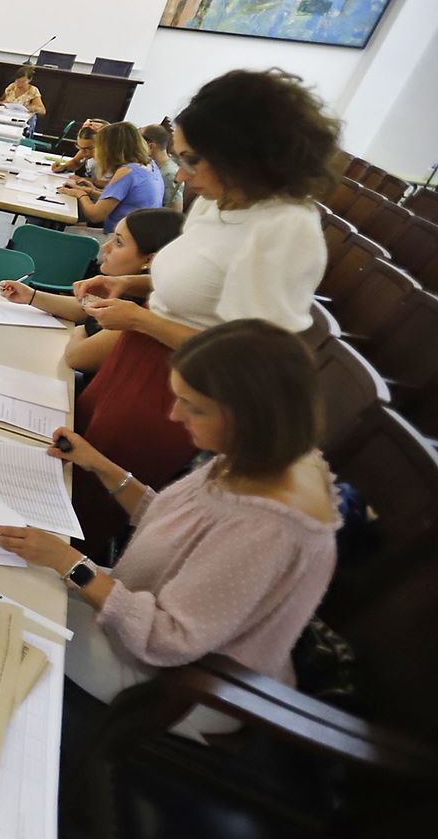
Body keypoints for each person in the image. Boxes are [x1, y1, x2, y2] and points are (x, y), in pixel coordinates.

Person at [0, 320, 338, 736]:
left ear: (246, 415)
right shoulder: (259, 456)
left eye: (194, 407)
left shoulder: (272, 530)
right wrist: (96, 462)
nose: (174, 414)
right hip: (135, 611)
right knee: (6, 582)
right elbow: (174, 523)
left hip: (174, 680)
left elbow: (169, 639)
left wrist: (70, 563)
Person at [65, 69, 335, 554]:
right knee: (70, 465)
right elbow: (196, 279)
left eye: (190, 160)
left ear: (242, 156)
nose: (180, 174)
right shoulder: (219, 199)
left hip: (178, 387)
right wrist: (129, 282)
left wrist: (141, 319)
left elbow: (250, 359)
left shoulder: (285, 229)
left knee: (90, 499)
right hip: (134, 355)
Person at [0, 207, 184, 373]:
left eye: (118, 243)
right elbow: (84, 308)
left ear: (148, 261)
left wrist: (80, 330)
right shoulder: (130, 290)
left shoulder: (142, 310)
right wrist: (31, 296)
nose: (106, 246)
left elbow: (77, 357)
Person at [59, 121, 161, 233]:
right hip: (135, 236)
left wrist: (79, 194)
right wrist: (90, 191)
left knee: (63, 230)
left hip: (119, 238)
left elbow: (95, 215)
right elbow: (123, 201)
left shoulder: (127, 172)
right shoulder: (150, 165)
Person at [141, 121, 183, 211]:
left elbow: (175, 211)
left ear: (151, 146)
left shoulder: (169, 174)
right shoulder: (153, 166)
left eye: (139, 143)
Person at [0, 63, 45, 135]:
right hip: (8, 118)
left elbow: (42, 110)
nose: (19, 84)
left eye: (23, 81)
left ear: (30, 80)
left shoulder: (33, 90)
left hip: (23, 122)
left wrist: (31, 108)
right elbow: (0, 101)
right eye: (17, 81)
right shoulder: (12, 86)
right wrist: (5, 103)